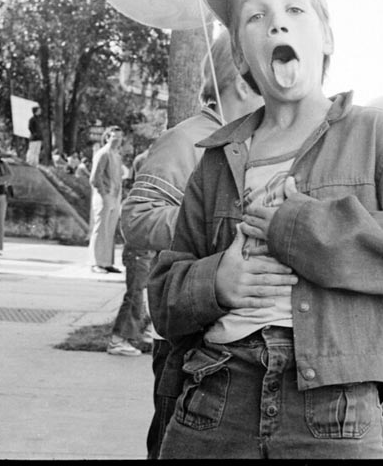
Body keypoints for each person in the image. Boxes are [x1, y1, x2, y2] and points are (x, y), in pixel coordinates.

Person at [147, 0, 383, 459]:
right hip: (216, 399)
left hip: (334, 411)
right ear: (242, 56)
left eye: (294, 8)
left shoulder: (377, 137)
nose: (277, 23)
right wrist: (216, 281)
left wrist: (299, 227)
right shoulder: (218, 158)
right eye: (254, 16)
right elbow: (163, 301)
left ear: (327, 37)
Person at [121, 29, 264, 459]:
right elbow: (137, 216)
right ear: (242, 82)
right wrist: (213, 223)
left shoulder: (248, 142)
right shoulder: (190, 138)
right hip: (185, 343)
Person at [107, 149, 155, 357]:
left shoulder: (142, 195)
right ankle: (119, 339)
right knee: (135, 293)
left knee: (142, 291)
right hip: (139, 249)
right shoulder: (140, 198)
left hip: (143, 248)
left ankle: (140, 330)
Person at [89, 126, 124, 274]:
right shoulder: (102, 153)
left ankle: (107, 262)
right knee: (100, 229)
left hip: (115, 197)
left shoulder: (116, 155)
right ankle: (96, 262)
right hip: (104, 196)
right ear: (108, 137)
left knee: (109, 231)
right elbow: (95, 178)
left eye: (119, 137)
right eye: (114, 137)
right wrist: (104, 195)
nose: (117, 140)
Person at [0, 139, 14, 256]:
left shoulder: (3, 164)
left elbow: (10, 176)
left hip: (2, 196)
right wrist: (1, 180)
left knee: (0, 222)